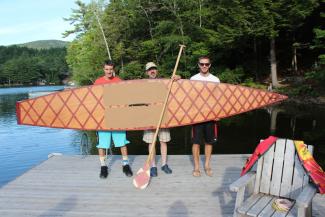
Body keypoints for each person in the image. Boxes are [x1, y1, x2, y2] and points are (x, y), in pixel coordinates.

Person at [94, 60, 133, 179]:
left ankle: (125, 165)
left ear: (113, 69)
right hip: (102, 118)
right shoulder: (98, 82)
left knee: (122, 142)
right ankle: (103, 167)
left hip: (117, 117)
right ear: (103, 69)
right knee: (102, 144)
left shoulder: (119, 81)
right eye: (106, 69)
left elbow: (125, 99)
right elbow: (93, 100)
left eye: (110, 69)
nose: (108, 71)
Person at [142, 62, 180, 177]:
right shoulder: (142, 84)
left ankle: (164, 164)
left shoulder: (165, 82)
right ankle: (153, 166)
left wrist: (178, 78)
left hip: (163, 115)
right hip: (149, 116)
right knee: (151, 143)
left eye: (154, 69)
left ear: (156, 71)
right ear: (147, 72)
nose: (152, 71)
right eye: (150, 70)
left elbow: (176, 86)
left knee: (163, 141)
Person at [190, 56, 220, 177]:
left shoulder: (215, 80)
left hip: (211, 115)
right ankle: (197, 167)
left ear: (210, 65)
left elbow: (219, 98)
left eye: (206, 64)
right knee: (196, 142)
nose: (204, 66)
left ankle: (207, 165)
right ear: (198, 65)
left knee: (209, 142)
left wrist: (218, 113)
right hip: (197, 116)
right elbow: (188, 98)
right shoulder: (193, 79)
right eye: (202, 64)